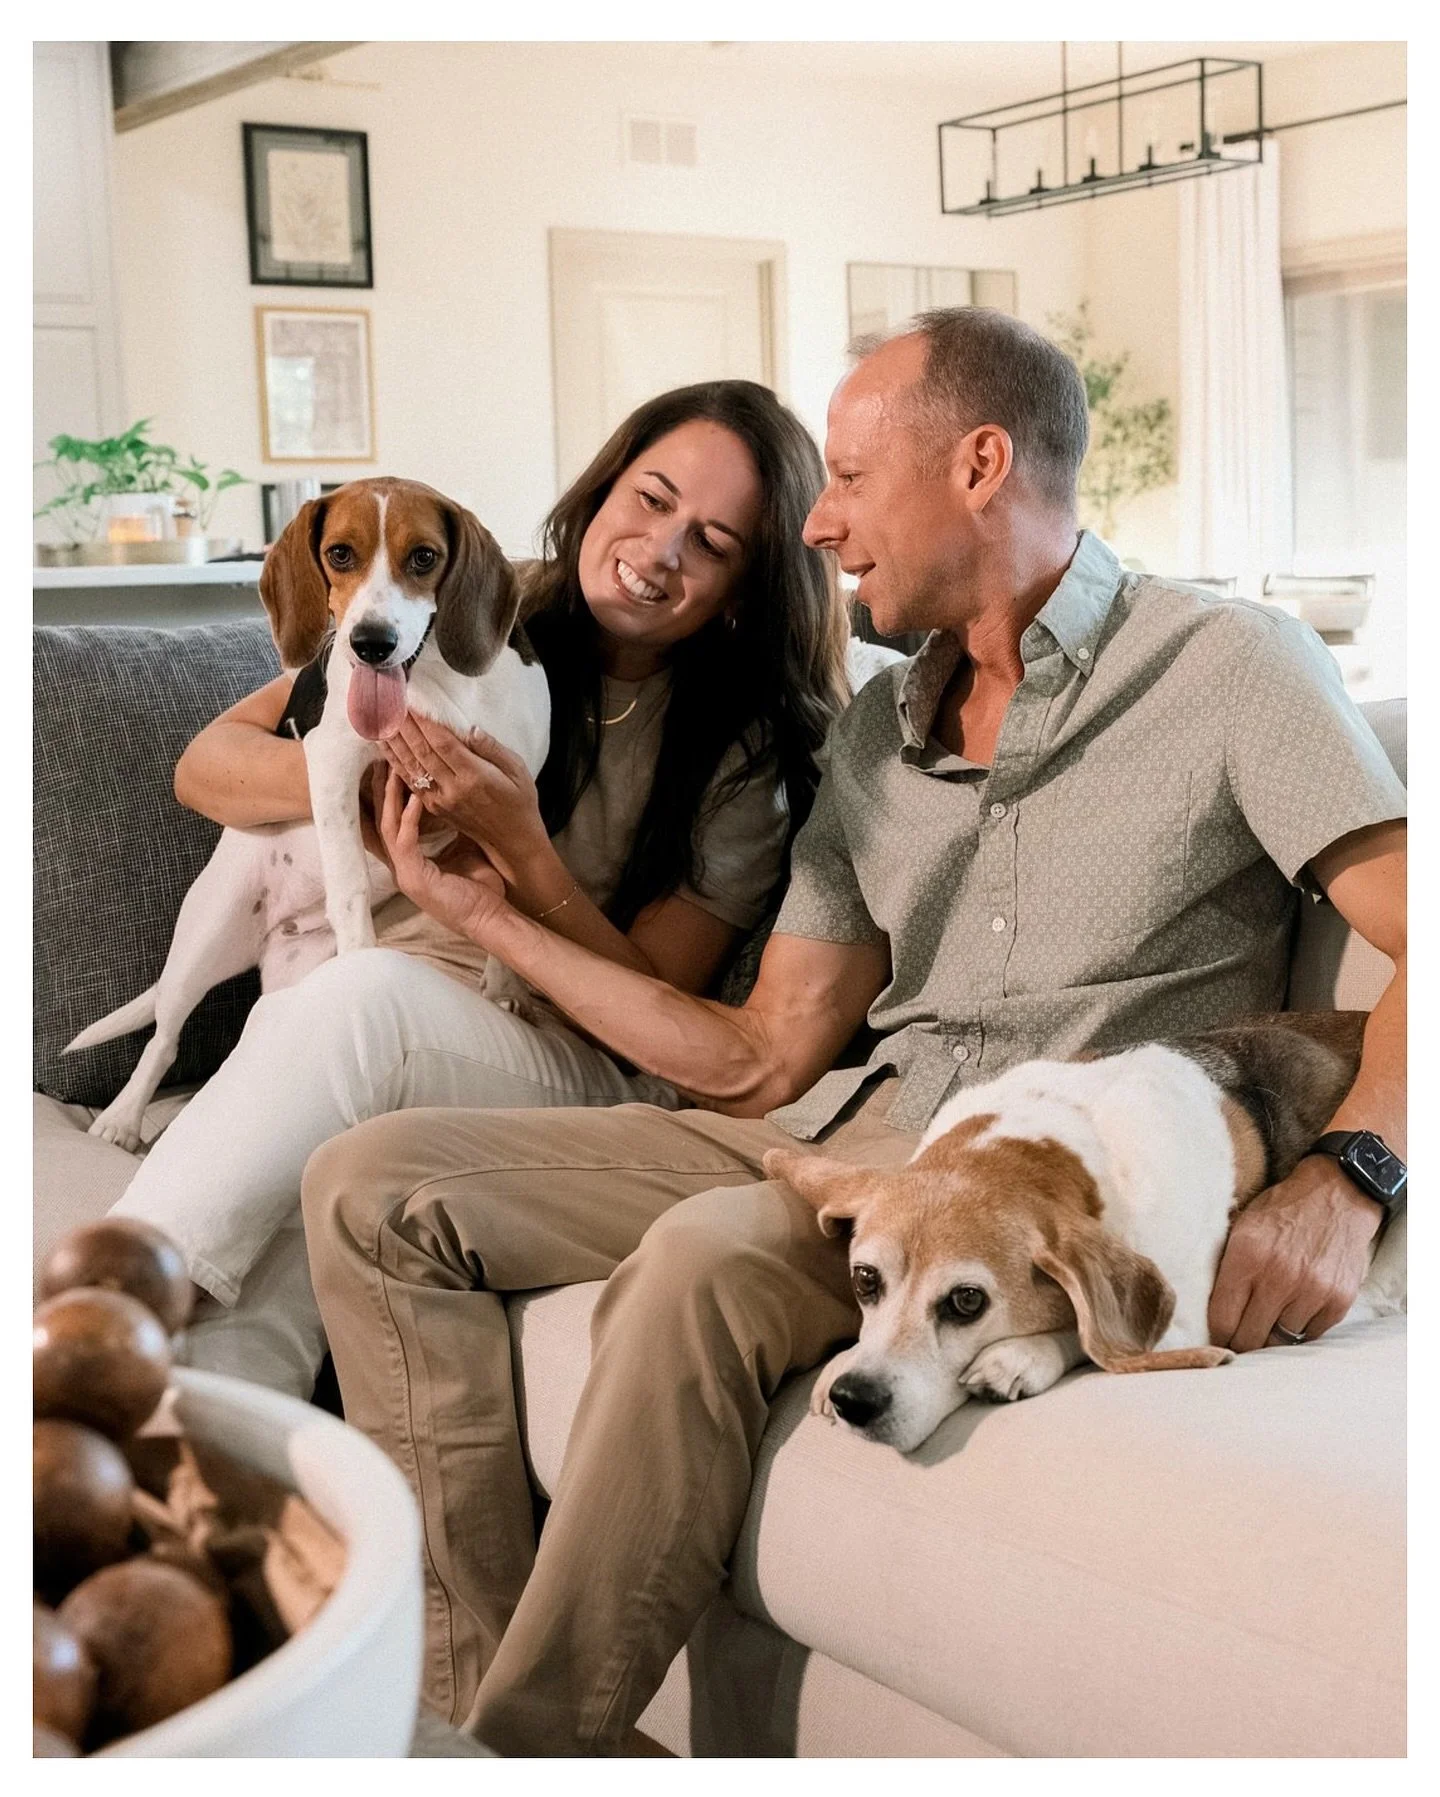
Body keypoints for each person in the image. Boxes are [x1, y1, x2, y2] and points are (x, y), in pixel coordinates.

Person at [300, 307, 1407, 1753]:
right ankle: (459, 1692)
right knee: (374, 1184)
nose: (816, 525)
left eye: (850, 479)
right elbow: (760, 1055)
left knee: (695, 1262)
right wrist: (499, 910)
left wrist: (1359, 1170)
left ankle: (528, 1753)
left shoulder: (1229, 664)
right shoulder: (879, 739)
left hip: (1023, 1180)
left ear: (981, 464)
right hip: (837, 1130)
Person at [110, 380, 851, 1397]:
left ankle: (95, 1317)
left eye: (714, 542)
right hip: (410, 1000)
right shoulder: (477, 607)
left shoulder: (748, 749)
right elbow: (208, 767)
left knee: (356, 1005)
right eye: (651, 497)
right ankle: (198, 1465)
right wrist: (370, 775)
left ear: (746, 585)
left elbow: (652, 1006)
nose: (663, 548)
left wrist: (520, 852)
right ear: (603, 490)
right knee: (299, 1166)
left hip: (574, 1052)